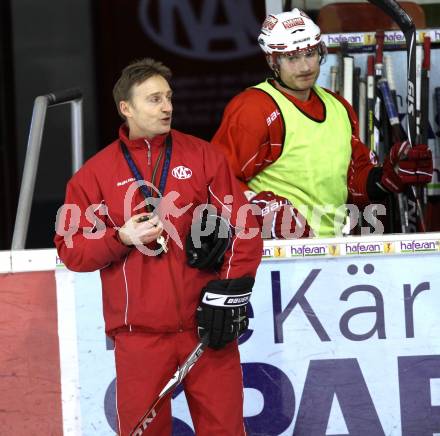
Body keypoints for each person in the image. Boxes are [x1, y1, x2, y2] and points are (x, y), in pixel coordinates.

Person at [54, 58, 262, 435]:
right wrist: (119, 238)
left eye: (168, 97)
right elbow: (72, 250)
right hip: (140, 339)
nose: (167, 106)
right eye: (154, 99)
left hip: (205, 330)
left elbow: (246, 227)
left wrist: (227, 293)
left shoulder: (203, 157)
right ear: (126, 108)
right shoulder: (95, 175)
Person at [212, 8, 433, 238]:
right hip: (276, 253)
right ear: (272, 60)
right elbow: (217, 178)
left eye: (310, 53)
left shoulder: (338, 106)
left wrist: (387, 177)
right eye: (292, 57)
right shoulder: (254, 108)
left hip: (331, 249)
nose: (305, 67)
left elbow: (353, 179)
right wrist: (260, 208)